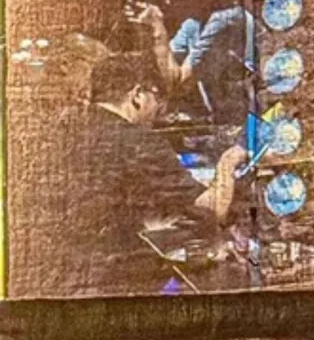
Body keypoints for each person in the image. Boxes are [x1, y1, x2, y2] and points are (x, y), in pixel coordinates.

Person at [70, 53, 246, 294]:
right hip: (114, 281)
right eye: (157, 97)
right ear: (137, 95)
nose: (159, 110)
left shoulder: (70, 128)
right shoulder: (138, 142)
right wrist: (229, 162)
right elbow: (211, 210)